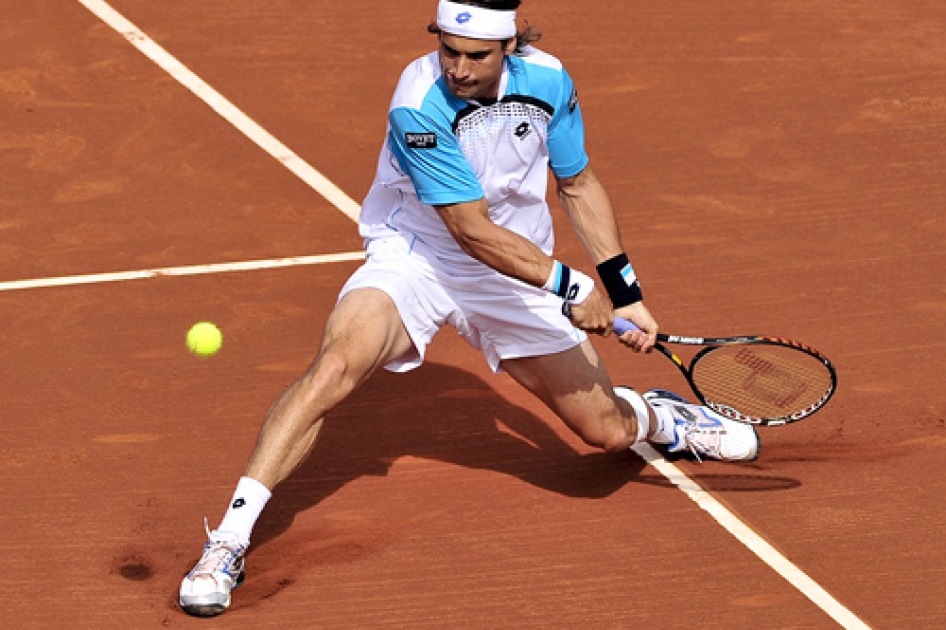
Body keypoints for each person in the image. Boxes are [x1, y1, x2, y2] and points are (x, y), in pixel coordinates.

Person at [178, 0, 760, 617]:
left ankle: (659, 419)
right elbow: (469, 231)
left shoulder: (549, 82)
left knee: (605, 433)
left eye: (475, 56)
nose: (457, 67)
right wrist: (569, 286)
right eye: (447, 51)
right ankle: (228, 543)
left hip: (516, 274)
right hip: (420, 257)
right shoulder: (418, 105)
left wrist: (624, 291)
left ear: (509, 46)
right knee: (334, 368)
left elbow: (579, 184)